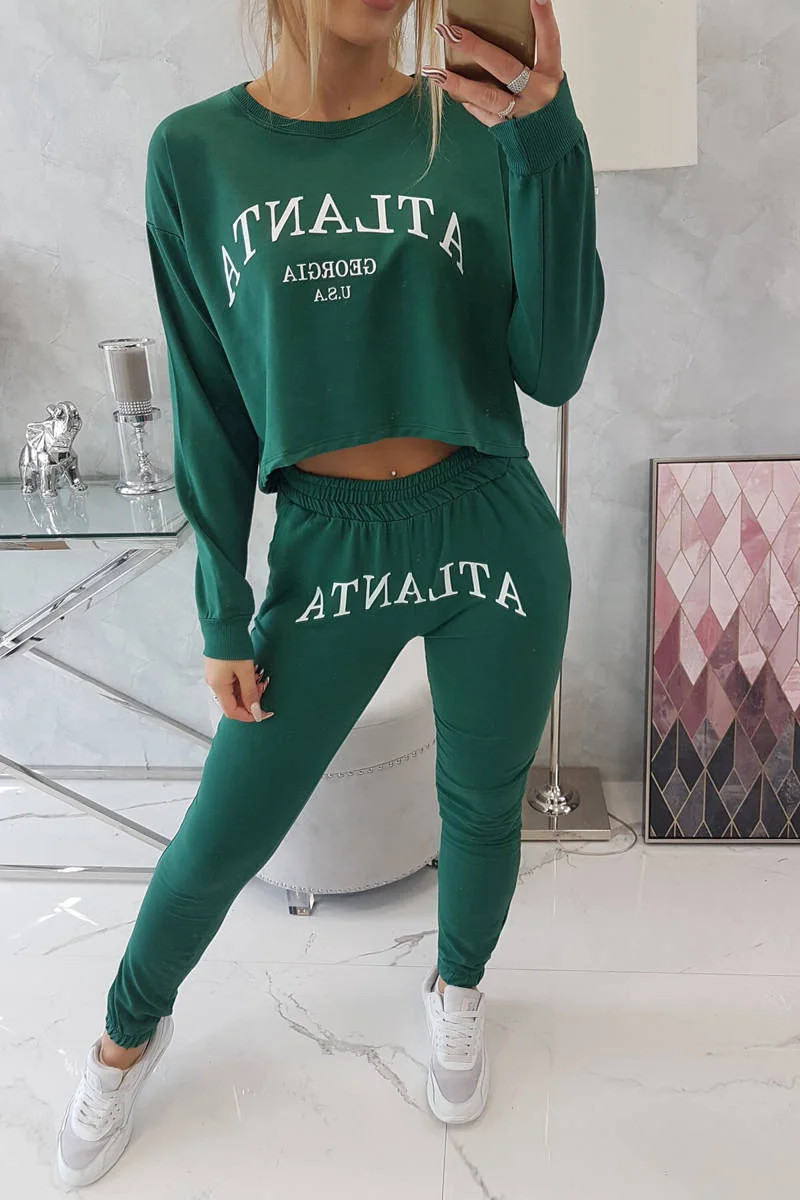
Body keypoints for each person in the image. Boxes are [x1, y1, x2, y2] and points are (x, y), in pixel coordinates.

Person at [56, 0, 604, 1186]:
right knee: (223, 836)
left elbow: (553, 364)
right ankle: (123, 1038)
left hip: (488, 524)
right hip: (327, 542)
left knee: (480, 804)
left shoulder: (467, 131)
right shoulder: (195, 154)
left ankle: (455, 988)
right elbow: (206, 399)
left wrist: (545, 135)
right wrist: (222, 604)